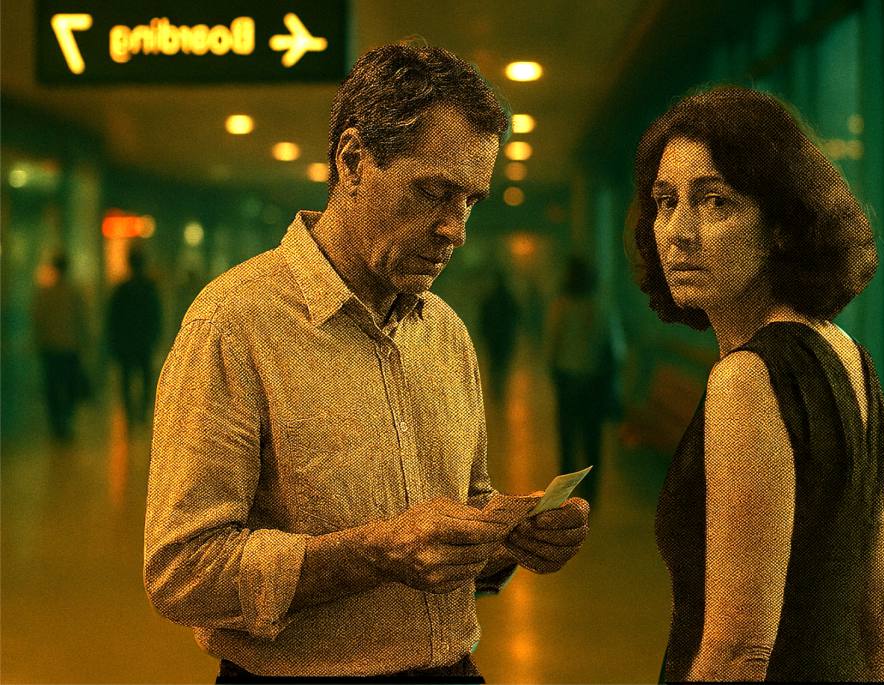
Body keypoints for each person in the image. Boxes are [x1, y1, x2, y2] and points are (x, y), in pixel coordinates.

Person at [144, 43, 590, 683]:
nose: (455, 230)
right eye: (434, 192)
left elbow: (461, 508)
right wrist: (372, 554)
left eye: (470, 201)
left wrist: (510, 534)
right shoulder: (236, 323)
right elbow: (182, 573)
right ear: (353, 160)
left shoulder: (445, 332)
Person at [632, 86, 884, 682]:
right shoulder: (849, 357)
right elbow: (880, 613)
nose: (678, 231)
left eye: (715, 202)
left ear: (781, 225)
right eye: (665, 202)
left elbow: (738, 654)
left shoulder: (747, 379)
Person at [545, 256, 613, 505]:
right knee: (592, 437)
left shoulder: (561, 305)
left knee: (567, 436)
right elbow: (611, 343)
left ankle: (565, 491)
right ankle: (591, 491)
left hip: (567, 377)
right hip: (593, 380)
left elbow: (552, 342)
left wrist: (553, 371)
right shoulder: (599, 306)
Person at [32, 250, 90, 441]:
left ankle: (56, 422)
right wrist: (84, 342)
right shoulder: (74, 293)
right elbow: (81, 320)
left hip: (50, 347)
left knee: (52, 386)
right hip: (70, 347)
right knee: (69, 385)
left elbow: (39, 319)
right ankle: (67, 420)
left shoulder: (45, 292)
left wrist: (39, 341)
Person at [106, 245, 163, 427]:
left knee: (126, 379)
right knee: (146, 379)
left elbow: (113, 319)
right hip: (144, 342)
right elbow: (155, 315)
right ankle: (142, 412)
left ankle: (130, 413)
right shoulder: (149, 288)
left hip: (125, 343)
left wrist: (113, 342)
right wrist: (155, 337)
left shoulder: (121, 289)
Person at [478, 269, 520, 401]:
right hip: (504, 337)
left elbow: (484, 319)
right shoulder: (509, 298)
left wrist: (484, 334)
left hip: (493, 338)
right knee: (502, 366)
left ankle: (494, 390)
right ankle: (500, 391)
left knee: (494, 365)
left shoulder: (490, 299)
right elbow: (515, 317)